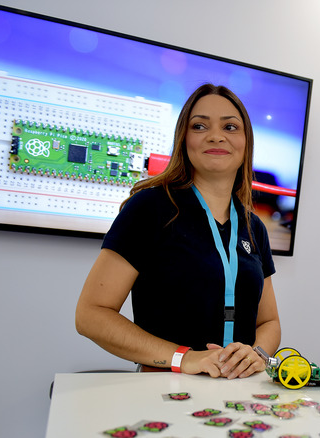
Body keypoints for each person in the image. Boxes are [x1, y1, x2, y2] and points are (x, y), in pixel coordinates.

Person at [75, 84, 281, 378]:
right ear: (184, 139)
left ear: (246, 143)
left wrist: (258, 354)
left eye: (230, 126)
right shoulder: (149, 208)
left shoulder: (253, 227)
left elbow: (269, 322)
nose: (216, 135)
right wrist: (184, 359)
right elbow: (91, 315)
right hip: (165, 391)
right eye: (199, 125)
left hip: (239, 393)